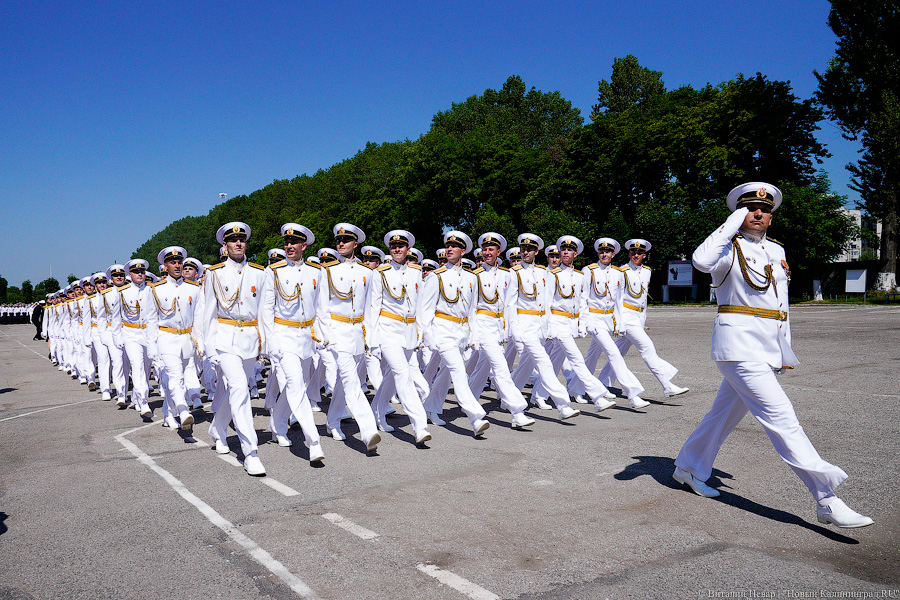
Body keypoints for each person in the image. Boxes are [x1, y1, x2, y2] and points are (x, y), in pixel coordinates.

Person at [673, 182, 873, 529]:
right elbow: (700, 261)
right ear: (738, 213)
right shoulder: (725, 250)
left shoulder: (777, 251)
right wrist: (731, 223)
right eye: (749, 208)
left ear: (771, 217)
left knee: (721, 416)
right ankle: (825, 497)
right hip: (737, 347)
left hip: (765, 348)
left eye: (764, 210)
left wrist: (783, 351)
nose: (758, 213)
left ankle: (688, 468)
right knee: (782, 417)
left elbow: (781, 307)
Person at [203, 222, 269, 475]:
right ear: (225, 245)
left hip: (251, 338)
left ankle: (218, 429)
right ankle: (250, 452)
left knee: (236, 390)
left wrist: (265, 344)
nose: (238, 243)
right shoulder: (215, 273)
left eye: (242, 239)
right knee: (240, 387)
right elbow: (207, 312)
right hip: (225, 338)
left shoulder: (259, 273)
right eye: (233, 240)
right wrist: (209, 350)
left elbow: (264, 311)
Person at [259, 223, 325, 463]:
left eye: (293, 243)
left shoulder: (316, 272)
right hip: (283, 335)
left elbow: (321, 307)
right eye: (286, 243)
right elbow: (266, 308)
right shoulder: (274, 271)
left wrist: (322, 334)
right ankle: (313, 441)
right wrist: (270, 341)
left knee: (296, 387)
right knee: (296, 385)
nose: (288, 246)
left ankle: (277, 424)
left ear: (303, 245)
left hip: (306, 337)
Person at [316, 223, 381, 452]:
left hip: (358, 334)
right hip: (337, 332)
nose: (340, 243)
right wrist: (327, 336)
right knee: (353, 383)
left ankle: (332, 422)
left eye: (345, 240)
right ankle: (368, 430)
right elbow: (321, 307)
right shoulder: (327, 271)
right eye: (338, 240)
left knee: (345, 383)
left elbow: (372, 310)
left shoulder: (368, 273)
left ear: (355, 244)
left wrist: (371, 339)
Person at [597, 238, 689, 399]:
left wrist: (642, 320)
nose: (635, 255)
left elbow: (643, 300)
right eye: (633, 252)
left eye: (639, 253)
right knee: (647, 348)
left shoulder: (647, 271)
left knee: (618, 352)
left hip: (638, 317)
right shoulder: (621, 272)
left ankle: (602, 382)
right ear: (629, 254)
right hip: (625, 316)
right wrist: (616, 322)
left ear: (644, 255)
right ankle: (667, 385)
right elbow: (616, 299)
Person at [420, 231, 491, 436]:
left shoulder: (471, 277)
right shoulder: (437, 276)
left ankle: (430, 407)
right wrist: (428, 336)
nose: (449, 249)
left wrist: (473, 335)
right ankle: (475, 417)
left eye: (454, 246)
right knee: (459, 371)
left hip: (460, 331)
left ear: (463, 251)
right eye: (447, 246)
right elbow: (426, 310)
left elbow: (472, 310)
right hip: (442, 330)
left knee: (446, 372)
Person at [365, 229, 432, 445]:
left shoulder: (415, 272)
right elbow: (372, 308)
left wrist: (421, 332)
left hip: (409, 332)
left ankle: (376, 411)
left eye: (400, 246)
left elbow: (419, 305)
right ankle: (419, 426)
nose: (397, 249)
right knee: (402, 374)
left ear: (408, 249)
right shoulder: (380, 273)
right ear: (389, 250)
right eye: (393, 247)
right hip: (387, 330)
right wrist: (372, 341)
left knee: (392, 377)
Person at [466, 232, 535, 429]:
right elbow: (470, 307)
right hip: (482, 324)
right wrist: (472, 333)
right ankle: (517, 411)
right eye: (484, 249)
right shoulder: (475, 275)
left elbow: (510, 304)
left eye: (491, 249)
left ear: (499, 251)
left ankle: (467, 400)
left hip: (499, 326)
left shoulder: (507, 274)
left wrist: (511, 329)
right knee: (501, 367)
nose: (487, 253)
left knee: (483, 367)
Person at [509, 233, 581, 421]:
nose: (525, 252)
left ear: (536, 251)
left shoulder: (543, 273)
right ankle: (563, 405)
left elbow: (547, 301)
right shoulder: (514, 273)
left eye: (529, 249)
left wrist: (547, 326)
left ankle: (508, 395)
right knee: (544, 362)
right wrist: (515, 331)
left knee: (526, 365)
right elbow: (510, 304)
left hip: (539, 326)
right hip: (524, 325)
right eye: (523, 249)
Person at [579, 238, 647, 408]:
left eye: (607, 252)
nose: (604, 254)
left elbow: (618, 301)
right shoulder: (589, 270)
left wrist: (619, 323)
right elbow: (583, 298)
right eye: (601, 252)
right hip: (594, 320)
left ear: (613, 254)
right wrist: (583, 322)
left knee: (591, 357)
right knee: (614, 353)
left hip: (608, 320)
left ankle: (575, 387)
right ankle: (633, 394)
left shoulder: (618, 273)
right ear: (598, 254)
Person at [147, 246, 198, 432]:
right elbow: (151, 319)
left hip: (186, 338)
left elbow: (198, 318)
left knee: (177, 377)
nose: (177, 266)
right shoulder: (156, 289)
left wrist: (198, 340)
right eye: (172, 263)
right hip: (166, 336)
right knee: (175, 374)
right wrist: (151, 346)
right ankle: (183, 410)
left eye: (179, 262)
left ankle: (168, 412)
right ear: (165, 266)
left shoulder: (193, 288)